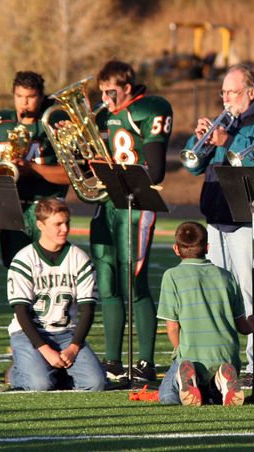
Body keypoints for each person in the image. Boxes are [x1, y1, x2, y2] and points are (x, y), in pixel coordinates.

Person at [183, 64, 254, 386]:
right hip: (216, 219)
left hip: (249, 220)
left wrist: (227, 140)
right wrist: (200, 139)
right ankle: (222, 362)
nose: (226, 98)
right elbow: (193, 166)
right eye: (224, 92)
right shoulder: (226, 122)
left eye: (232, 92)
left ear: (252, 93)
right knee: (219, 295)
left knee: (252, 296)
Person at [94, 60, 173, 382]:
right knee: (108, 281)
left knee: (133, 282)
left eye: (110, 91)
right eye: (101, 92)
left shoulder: (150, 108)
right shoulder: (105, 115)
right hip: (107, 202)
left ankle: (145, 361)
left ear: (127, 86)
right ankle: (112, 359)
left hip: (137, 204)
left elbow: (155, 171)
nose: (105, 98)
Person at [156, 222, 254, 406]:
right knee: (210, 396)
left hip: (192, 355)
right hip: (226, 355)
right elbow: (243, 327)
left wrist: (179, 352)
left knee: (167, 396)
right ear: (207, 247)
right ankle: (220, 379)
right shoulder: (226, 276)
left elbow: (172, 326)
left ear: (176, 248)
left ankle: (198, 379)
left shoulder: (171, 276)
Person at [5, 198, 105, 391]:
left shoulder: (79, 258)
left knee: (95, 384)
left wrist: (74, 347)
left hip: (66, 334)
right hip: (28, 333)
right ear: (40, 225)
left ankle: (54, 371)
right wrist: (46, 351)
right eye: (57, 224)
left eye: (67, 222)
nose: (65, 229)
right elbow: (21, 311)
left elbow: (88, 310)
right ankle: (16, 373)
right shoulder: (24, 259)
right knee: (39, 385)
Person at [0, 71, 70, 268]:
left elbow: (70, 176)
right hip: (13, 207)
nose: (24, 103)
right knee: (16, 270)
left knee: (48, 271)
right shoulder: (0, 125)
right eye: (19, 96)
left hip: (47, 207)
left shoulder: (56, 122)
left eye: (30, 97)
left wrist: (32, 168)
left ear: (41, 96)